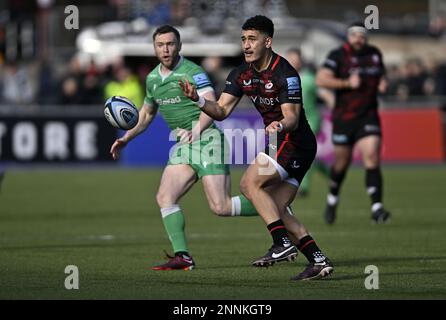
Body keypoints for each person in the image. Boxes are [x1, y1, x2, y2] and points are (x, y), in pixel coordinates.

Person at [180, 15, 333, 280]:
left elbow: (293, 117)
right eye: (243, 39)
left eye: (252, 39)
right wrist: (198, 100)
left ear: (268, 41)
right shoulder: (241, 74)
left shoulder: (285, 72)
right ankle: (318, 260)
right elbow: (222, 110)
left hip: (292, 141)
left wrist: (280, 126)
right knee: (277, 207)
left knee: (248, 184)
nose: (246, 45)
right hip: (286, 143)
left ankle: (281, 244)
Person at [110, 25, 260, 271]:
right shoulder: (152, 79)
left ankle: (274, 207)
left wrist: (197, 130)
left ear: (179, 46)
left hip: (207, 140)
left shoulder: (193, 72)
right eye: (161, 45)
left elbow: (213, 105)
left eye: (170, 44)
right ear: (154, 48)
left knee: (220, 207)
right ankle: (183, 257)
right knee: (164, 197)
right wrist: (127, 138)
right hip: (183, 145)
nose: (166, 49)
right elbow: (146, 115)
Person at [316, 22, 391, 224]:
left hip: (368, 115)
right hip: (344, 117)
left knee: (372, 155)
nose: (359, 38)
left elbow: (382, 75)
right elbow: (321, 79)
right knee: (341, 163)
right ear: (349, 37)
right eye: (355, 35)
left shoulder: (374, 53)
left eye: (362, 35)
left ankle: (377, 208)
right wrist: (347, 83)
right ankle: (332, 198)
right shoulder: (338, 55)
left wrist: (384, 82)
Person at [285, 48, 330, 196]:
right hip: (293, 122)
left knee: (302, 152)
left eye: (296, 59)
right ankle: (331, 174)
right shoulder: (282, 78)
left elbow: (324, 94)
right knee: (304, 154)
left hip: (311, 120)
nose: (293, 62)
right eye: (291, 58)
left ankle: (303, 187)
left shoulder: (308, 78)